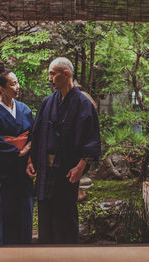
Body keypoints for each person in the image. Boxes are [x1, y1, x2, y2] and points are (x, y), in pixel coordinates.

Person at [27, 57, 101, 244]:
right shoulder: (47, 102)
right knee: (45, 216)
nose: (49, 78)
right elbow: (35, 134)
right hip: (45, 169)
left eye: (53, 74)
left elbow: (91, 138)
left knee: (65, 216)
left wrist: (81, 166)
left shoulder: (84, 104)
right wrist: (30, 160)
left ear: (65, 74)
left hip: (67, 171)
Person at [0, 59, 35, 245]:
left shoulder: (24, 109)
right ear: (1, 88)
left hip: (23, 169)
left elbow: (33, 134)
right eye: (13, 84)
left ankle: (26, 248)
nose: (17, 86)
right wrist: (18, 152)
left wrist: (28, 153)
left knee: (25, 208)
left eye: (17, 82)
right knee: (8, 210)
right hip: (6, 170)